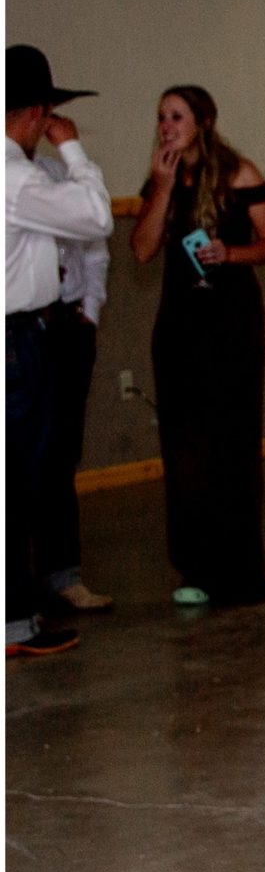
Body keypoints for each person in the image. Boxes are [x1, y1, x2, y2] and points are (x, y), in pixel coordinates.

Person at [131, 88, 265, 608]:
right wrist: (163, 187)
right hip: (179, 329)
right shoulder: (163, 177)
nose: (167, 126)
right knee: (184, 447)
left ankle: (239, 568)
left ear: (205, 121)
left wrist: (231, 253)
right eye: (161, 118)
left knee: (232, 443)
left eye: (177, 117)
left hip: (232, 326)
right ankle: (193, 566)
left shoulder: (238, 172)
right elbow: (143, 249)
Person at [5, 45, 112, 659]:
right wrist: (72, 150)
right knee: (19, 483)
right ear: (39, 112)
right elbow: (97, 218)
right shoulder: (17, 176)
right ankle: (16, 621)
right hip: (15, 338)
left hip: (24, 332)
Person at [35, 140, 115, 616]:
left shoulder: (55, 174)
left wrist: (89, 308)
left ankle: (62, 574)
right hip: (16, 322)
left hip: (64, 322)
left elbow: (94, 244)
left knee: (59, 450)